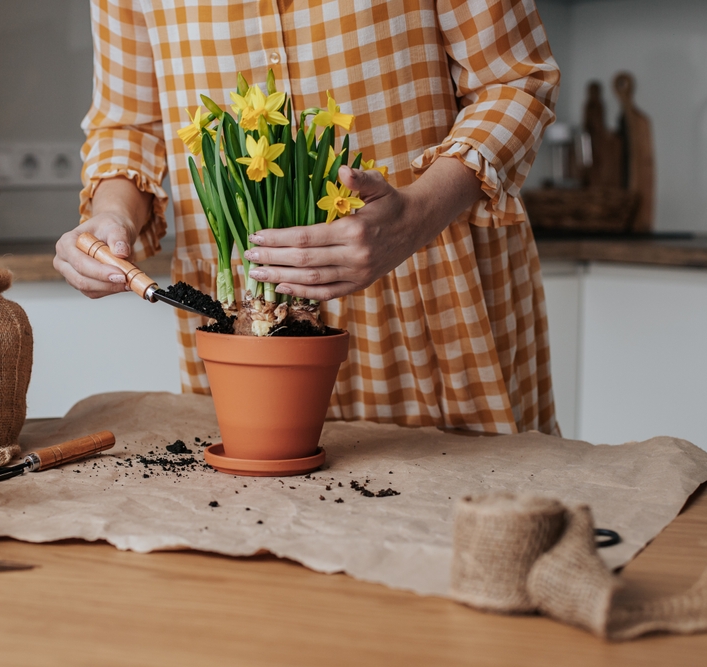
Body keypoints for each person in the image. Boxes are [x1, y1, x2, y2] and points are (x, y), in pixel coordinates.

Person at [55, 0, 561, 435]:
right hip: (243, 321)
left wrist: (413, 218)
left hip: (434, 290)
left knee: (483, 528)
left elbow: (517, 82)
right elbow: (129, 126)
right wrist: (111, 214)